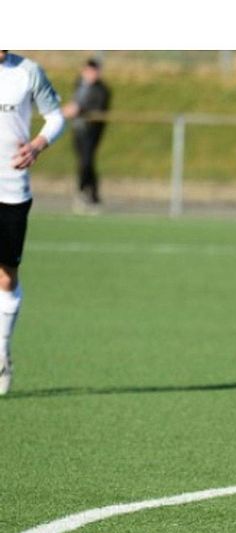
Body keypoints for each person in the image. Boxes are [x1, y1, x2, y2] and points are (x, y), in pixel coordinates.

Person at [0, 51, 65, 396]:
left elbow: (55, 117)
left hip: (11, 189)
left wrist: (39, 144)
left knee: (6, 276)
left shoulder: (28, 72)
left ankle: (1, 351)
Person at [62, 58, 110, 213]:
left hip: (92, 131)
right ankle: (88, 195)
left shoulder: (102, 89)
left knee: (87, 162)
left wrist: (79, 109)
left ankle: (87, 193)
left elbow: (97, 107)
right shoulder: (79, 83)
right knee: (83, 162)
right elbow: (74, 101)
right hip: (78, 129)